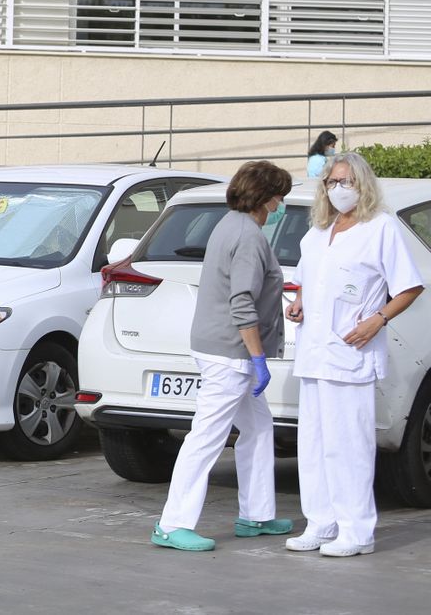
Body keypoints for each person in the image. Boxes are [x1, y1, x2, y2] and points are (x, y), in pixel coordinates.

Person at [285, 152, 424, 557]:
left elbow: (409, 287)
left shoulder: (379, 228)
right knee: (313, 444)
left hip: (351, 352)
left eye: (346, 181)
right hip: (313, 354)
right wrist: (300, 303)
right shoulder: (317, 232)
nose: (338, 189)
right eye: (331, 181)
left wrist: (377, 320)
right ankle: (320, 522)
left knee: (349, 445)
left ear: (362, 185)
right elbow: (305, 282)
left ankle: (357, 530)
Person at [152, 160, 294, 552]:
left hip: (221, 349)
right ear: (265, 198)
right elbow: (242, 301)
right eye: (279, 196)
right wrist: (258, 357)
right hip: (231, 354)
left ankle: (257, 514)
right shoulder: (248, 235)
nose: (281, 203)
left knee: (258, 428)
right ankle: (172, 523)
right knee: (207, 437)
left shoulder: (227, 224)